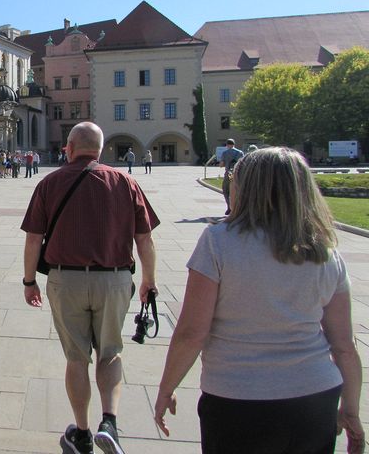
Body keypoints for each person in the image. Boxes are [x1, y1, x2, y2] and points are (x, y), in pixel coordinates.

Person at [154, 147, 365, 454]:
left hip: (238, 396)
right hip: (314, 395)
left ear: (245, 188)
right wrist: (352, 410)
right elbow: (344, 346)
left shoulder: (219, 242)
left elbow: (191, 333)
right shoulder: (324, 252)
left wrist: (166, 388)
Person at [20, 122, 159, 454]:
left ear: (69, 147)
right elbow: (145, 240)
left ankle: (82, 432)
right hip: (113, 279)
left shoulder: (50, 183)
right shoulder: (125, 182)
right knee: (110, 352)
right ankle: (109, 422)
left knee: (76, 358)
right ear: (99, 149)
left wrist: (29, 281)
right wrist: (148, 282)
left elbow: (32, 239)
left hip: (65, 280)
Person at [219, 138, 243, 215]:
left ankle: (229, 207)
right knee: (237, 190)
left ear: (227, 145)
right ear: (234, 144)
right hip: (238, 173)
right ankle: (238, 207)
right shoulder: (240, 152)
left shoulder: (225, 153)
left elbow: (221, 165)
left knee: (226, 190)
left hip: (229, 173)